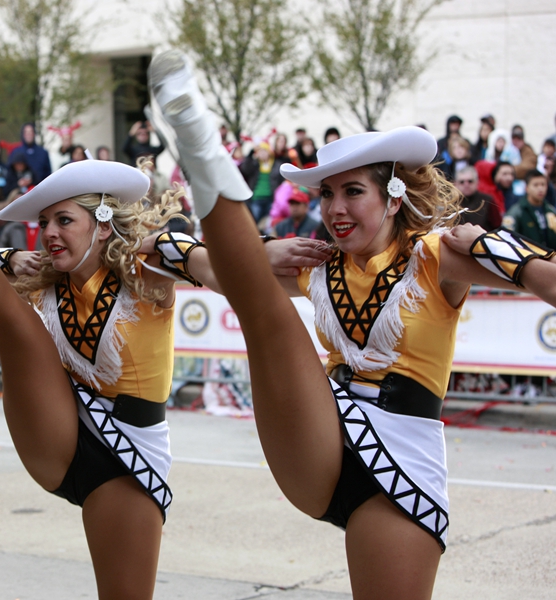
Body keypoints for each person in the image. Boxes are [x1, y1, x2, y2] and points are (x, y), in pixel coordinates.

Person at [147, 49, 556, 600]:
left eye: (352, 191)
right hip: (320, 435)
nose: (335, 208)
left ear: (392, 197)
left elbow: (548, 283)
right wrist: (251, 255)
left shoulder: (436, 255)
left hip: (403, 468)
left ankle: (203, 152)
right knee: (259, 304)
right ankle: (199, 143)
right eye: (327, 194)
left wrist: (499, 249)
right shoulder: (317, 264)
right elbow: (203, 268)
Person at [0, 103, 327, 598]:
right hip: (59, 431)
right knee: (14, 327)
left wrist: (260, 251)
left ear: (102, 224)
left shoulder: (153, 266)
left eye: (63, 220)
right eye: (45, 223)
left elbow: (220, 271)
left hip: (128, 454)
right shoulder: (40, 274)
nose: (50, 233)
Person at [503, 170, 556, 250]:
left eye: (543, 185)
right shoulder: (516, 212)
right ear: (527, 188)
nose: (540, 189)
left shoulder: (550, 210)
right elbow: (506, 239)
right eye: (536, 185)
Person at [454, 166, 501, 230]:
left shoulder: (488, 200)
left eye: (470, 181)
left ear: (477, 182)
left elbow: (497, 227)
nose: (466, 185)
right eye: (462, 182)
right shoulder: (450, 203)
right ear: (455, 184)